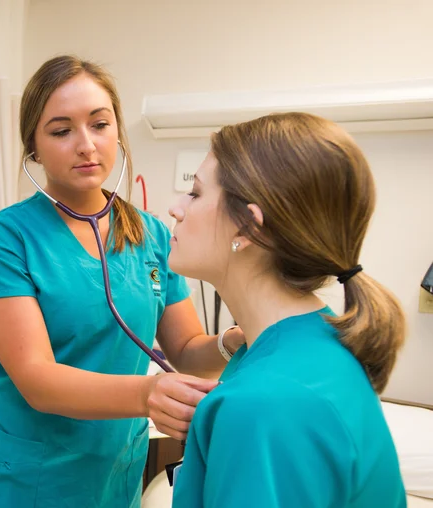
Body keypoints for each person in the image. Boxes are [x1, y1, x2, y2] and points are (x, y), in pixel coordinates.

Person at [0, 55, 246, 507]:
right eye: (62, 130)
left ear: (117, 132)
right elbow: (37, 380)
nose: (86, 145)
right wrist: (149, 392)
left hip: (110, 471)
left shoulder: (153, 235)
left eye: (100, 124)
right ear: (34, 145)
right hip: (18, 474)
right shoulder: (4, 238)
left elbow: (185, 352)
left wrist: (234, 341)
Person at [169, 112, 406, 507]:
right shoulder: (318, 335)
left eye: (194, 193)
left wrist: (237, 429)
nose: (177, 208)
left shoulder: (265, 404)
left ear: (248, 228)